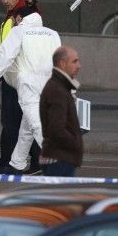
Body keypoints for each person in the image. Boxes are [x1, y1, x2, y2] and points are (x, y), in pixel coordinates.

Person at [0, 7, 61, 174]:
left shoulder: (19, 31)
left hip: (28, 83)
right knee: (27, 127)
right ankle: (16, 163)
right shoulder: (52, 33)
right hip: (50, 82)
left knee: (35, 124)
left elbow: (5, 56)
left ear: (20, 18)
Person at [0, 0, 42, 175]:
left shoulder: (21, 13)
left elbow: (35, 17)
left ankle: (8, 162)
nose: (5, 1)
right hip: (13, 75)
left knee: (12, 122)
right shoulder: (11, 15)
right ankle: (32, 162)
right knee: (25, 122)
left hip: (19, 77)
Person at [40, 46, 83, 177]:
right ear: (62, 64)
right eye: (74, 61)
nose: (79, 66)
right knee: (59, 197)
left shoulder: (60, 86)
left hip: (60, 157)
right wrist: (76, 142)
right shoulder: (57, 90)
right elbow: (56, 129)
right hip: (59, 159)